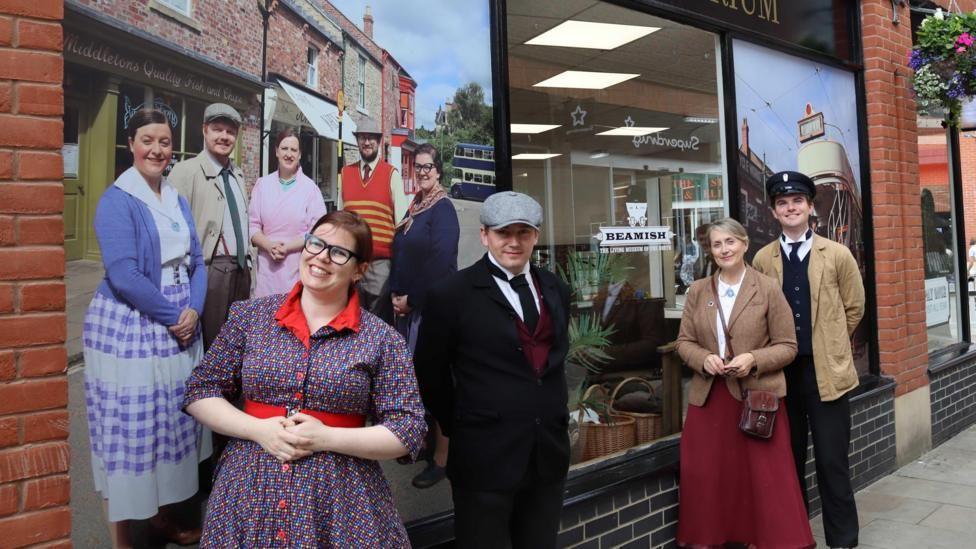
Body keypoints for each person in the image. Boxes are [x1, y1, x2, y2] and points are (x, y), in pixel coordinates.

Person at [183, 210, 427, 547]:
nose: (321, 257)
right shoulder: (251, 316)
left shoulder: (382, 339)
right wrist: (259, 430)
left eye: (338, 252)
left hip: (342, 498)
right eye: (316, 243)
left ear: (360, 270)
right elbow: (201, 388)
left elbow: (409, 428)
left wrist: (326, 438)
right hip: (248, 490)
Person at [414, 192, 571, 549]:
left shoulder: (556, 288)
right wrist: (464, 423)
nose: (513, 242)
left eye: (523, 233)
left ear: (536, 236)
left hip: (547, 455)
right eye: (504, 233)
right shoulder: (451, 294)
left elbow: (552, 361)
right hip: (483, 457)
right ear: (485, 235)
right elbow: (430, 373)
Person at [83, 109, 210, 548]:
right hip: (133, 324)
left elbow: (196, 260)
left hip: (179, 322)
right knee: (129, 436)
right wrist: (175, 315)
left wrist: (194, 308)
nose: (157, 149)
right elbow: (124, 274)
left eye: (165, 141)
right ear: (130, 144)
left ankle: (161, 517)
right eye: (148, 140)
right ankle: (121, 540)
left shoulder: (174, 197)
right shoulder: (117, 200)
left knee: (170, 424)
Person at [674, 217, 813, 548]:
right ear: (710, 250)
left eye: (730, 242)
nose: (724, 250)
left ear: (744, 244)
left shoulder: (766, 287)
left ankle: (763, 539)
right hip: (710, 398)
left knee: (762, 477)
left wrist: (753, 359)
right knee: (707, 474)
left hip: (756, 398)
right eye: (717, 244)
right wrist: (702, 359)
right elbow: (683, 342)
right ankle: (712, 536)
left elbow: (788, 346)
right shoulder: (698, 291)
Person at [752, 171, 865, 549]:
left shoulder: (836, 254)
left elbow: (854, 307)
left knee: (833, 463)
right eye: (782, 203)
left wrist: (829, 342)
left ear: (810, 207)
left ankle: (843, 541)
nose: (790, 208)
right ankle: (795, 538)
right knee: (789, 462)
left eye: (797, 201)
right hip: (782, 376)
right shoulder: (763, 259)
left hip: (827, 373)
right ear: (774, 211)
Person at [389, 143, 459, 488]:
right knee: (415, 381)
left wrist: (411, 300)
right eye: (418, 167)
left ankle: (442, 460)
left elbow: (441, 265)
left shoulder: (443, 209)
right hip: (408, 310)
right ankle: (421, 444)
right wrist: (396, 294)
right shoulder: (417, 204)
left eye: (428, 167)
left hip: (431, 312)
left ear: (439, 170)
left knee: (436, 382)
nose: (423, 172)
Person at [170, 103, 254, 350]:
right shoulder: (186, 172)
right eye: (217, 129)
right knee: (214, 345)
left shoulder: (237, 174)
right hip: (211, 271)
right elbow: (175, 231)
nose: (224, 137)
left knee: (237, 343)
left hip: (241, 270)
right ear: (205, 130)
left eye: (230, 132)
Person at [338, 118, 407, 321]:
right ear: (357, 141)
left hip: (381, 266)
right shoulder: (345, 174)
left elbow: (402, 226)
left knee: (379, 323)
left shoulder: (391, 174)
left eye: (371, 138)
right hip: (352, 263)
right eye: (362, 138)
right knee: (351, 320)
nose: (366, 142)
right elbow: (342, 223)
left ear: (378, 141)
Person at [248, 128, 327, 297]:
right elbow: (252, 226)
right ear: (276, 151)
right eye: (284, 149)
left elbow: (318, 233)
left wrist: (288, 247)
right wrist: (269, 246)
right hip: (266, 275)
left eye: (293, 150)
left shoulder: (310, 189)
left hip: (296, 272)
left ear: (299, 155)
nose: (289, 154)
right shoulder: (262, 185)